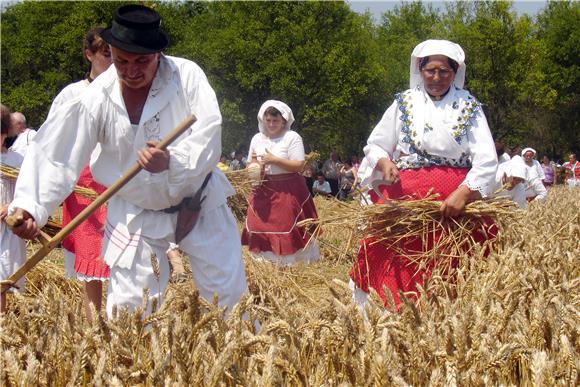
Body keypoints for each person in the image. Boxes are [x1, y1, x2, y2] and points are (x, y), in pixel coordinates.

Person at [9, 4, 248, 318]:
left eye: (142, 61)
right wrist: (29, 206)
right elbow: (55, 154)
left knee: (228, 298)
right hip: (135, 212)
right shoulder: (95, 98)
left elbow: (209, 133)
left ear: (158, 55)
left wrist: (172, 161)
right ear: (110, 51)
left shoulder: (185, 76)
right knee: (130, 310)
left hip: (199, 203)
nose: (132, 71)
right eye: (121, 61)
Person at [351, 39, 498, 310]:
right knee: (394, 259)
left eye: (444, 71)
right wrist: (384, 162)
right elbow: (376, 144)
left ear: (455, 73)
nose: (437, 77)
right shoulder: (404, 103)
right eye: (430, 70)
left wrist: (463, 194)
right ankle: (389, 317)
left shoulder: (469, 106)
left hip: (452, 207)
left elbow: (487, 159)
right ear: (420, 70)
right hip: (404, 203)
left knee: (452, 266)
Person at [46, 27, 112, 321]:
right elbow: (52, 142)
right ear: (90, 55)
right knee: (92, 268)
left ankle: (126, 329)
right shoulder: (73, 94)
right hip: (85, 188)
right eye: (105, 53)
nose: (111, 60)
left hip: (120, 184)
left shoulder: (129, 92)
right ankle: (94, 330)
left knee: (125, 262)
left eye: (115, 53)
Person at [242, 100, 320, 266]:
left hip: (287, 188)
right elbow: (251, 161)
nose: (271, 124)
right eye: (268, 120)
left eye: (275, 121)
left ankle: (287, 265)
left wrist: (274, 160)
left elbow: (299, 165)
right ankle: (264, 265)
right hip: (262, 188)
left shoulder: (291, 137)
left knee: (284, 225)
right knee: (258, 224)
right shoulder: (257, 139)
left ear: (284, 121)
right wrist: (255, 168)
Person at [1, 104, 26, 313]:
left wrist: (11, 206)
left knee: (6, 275)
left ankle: (5, 323)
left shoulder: (17, 160)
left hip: (9, 226)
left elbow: (26, 192)